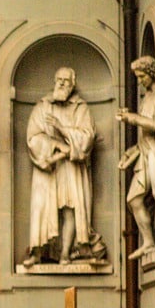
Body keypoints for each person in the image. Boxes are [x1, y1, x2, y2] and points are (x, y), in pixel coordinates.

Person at [24, 66, 100, 267]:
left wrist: (61, 128)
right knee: (42, 207)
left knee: (70, 207)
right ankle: (38, 250)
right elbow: (33, 137)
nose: (61, 83)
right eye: (59, 79)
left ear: (73, 84)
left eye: (66, 81)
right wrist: (57, 146)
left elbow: (87, 137)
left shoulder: (80, 107)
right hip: (49, 167)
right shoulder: (43, 106)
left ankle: (66, 253)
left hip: (71, 166)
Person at [117, 55, 155, 260]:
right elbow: (145, 132)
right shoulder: (146, 98)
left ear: (151, 73)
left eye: (142, 76)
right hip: (143, 152)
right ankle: (149, 242)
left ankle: (154, 242)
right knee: (133, 199)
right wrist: (131, 152)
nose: (140, 81)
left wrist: (133, 118)